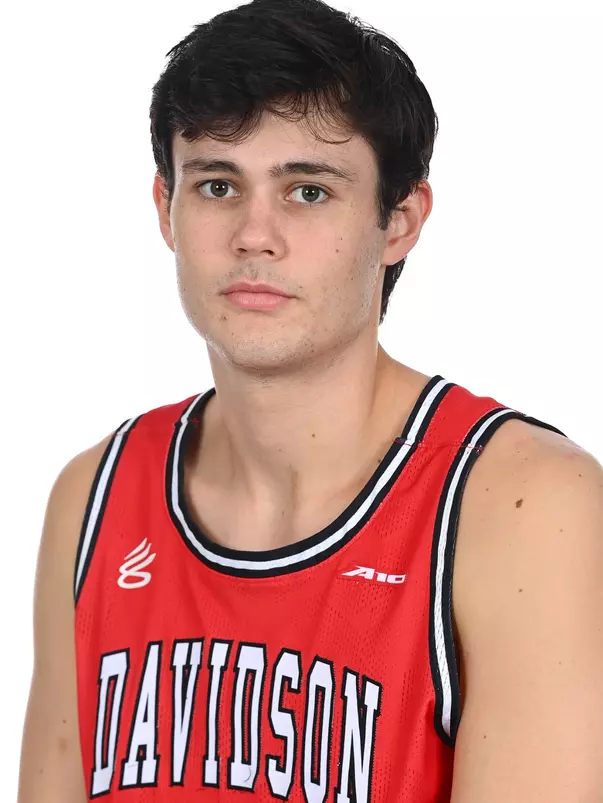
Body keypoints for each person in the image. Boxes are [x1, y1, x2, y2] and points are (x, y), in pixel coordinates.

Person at [18, 0, 603, 800]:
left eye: (308, 192)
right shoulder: (93, 496)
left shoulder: (522, 505)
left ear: (398, 222)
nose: (255, 235)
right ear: (166, 209)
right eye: (218, 184)